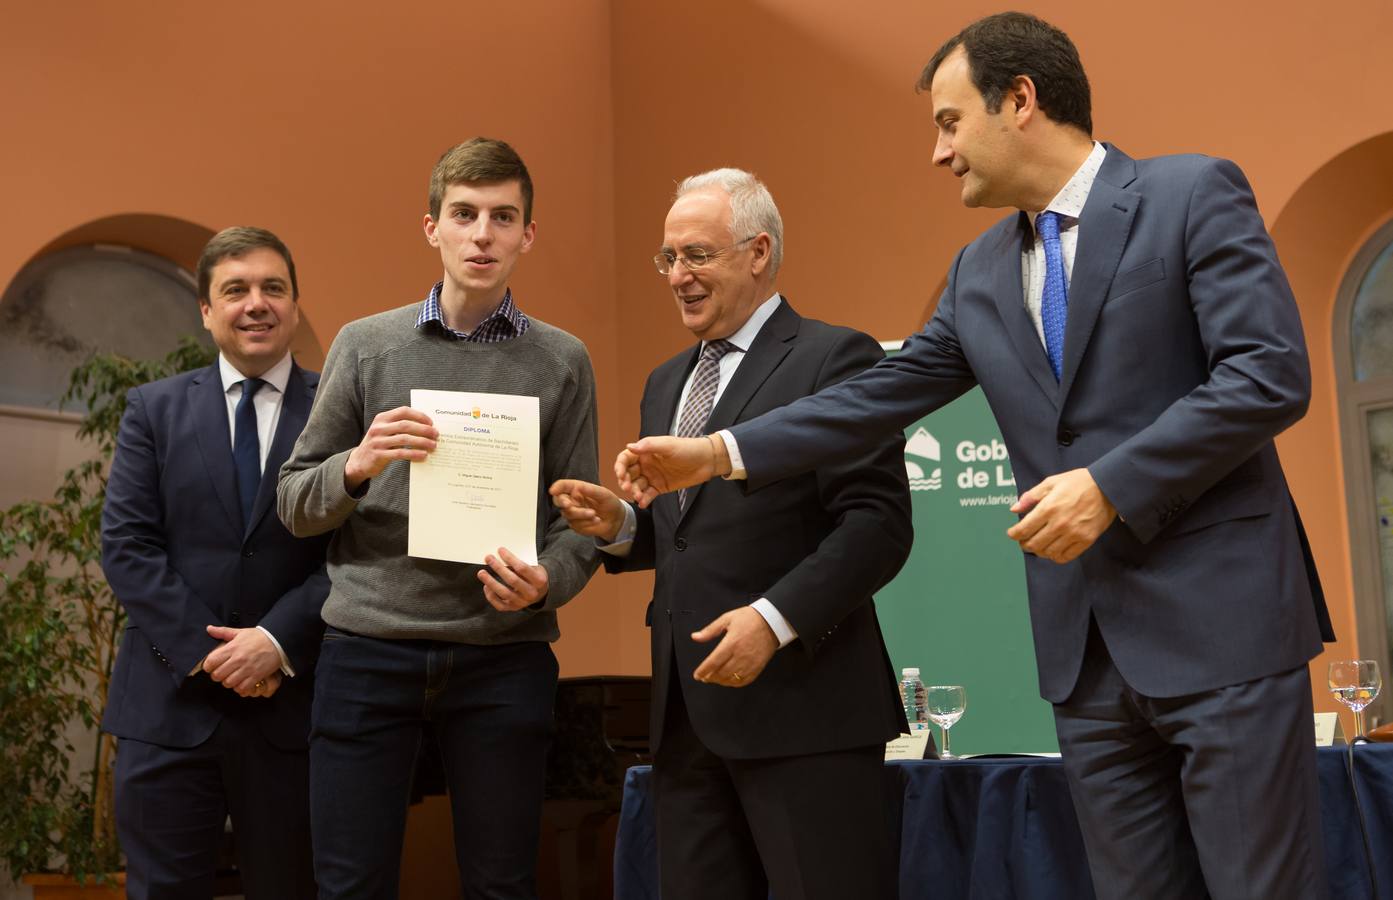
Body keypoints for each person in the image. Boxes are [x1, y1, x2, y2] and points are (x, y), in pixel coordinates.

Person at [614, 15, 1336, 900]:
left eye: (948, 122)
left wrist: (1111, 486)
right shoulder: (978, 272)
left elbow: (1267, 375)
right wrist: (719, 451)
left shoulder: (1188, 194)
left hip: (1221, 627)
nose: (937, 153)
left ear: (1019, 102)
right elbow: (877, 395)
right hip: (1085, 657)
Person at [551, 168, 912, 900]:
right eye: (667, 259)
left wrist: (773, 623)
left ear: (757, 251)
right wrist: (622, 527)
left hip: (805, 714)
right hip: (685, 724)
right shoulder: (664, 381)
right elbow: (690, 536)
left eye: (696, 255)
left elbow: (877, 525)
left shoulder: (834, 360)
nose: (677, 276)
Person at [276, 137, 600, 899]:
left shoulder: (563, 360)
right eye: (464, 214)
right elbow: (294, 503)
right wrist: (357, 465)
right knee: (350, 884)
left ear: (527, 234)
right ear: (432, 228)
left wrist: (546, 580)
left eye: (502, 216)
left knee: (502, 884)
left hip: (502, 655)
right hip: (367, 649)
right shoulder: (365, 345)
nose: (482, 234)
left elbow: (582, 517)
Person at [101, 226, 330, 899]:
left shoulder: (340, 413)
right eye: (235, 289)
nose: (255, 303)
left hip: (295, 715)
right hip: (167, 712)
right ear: (206, 310)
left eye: (273, 288)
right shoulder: (153, 409)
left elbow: (358, 555)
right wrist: (213, 655)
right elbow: (128, 547)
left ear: (294, 304)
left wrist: (275, 641)